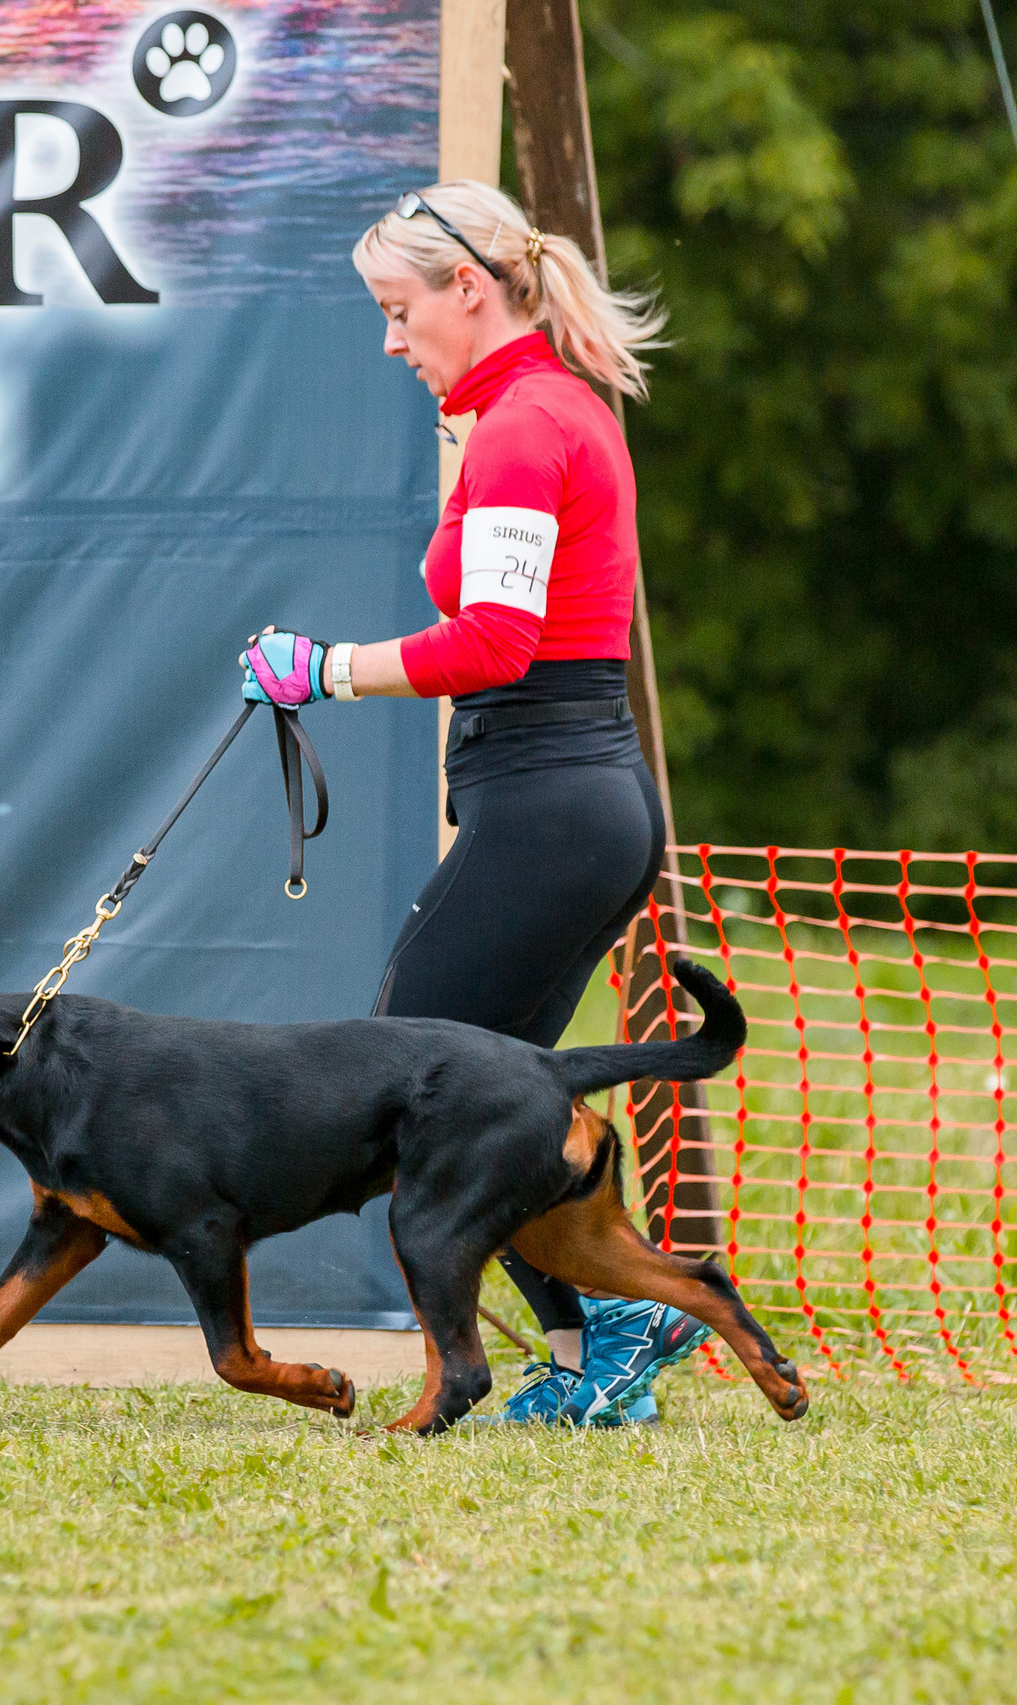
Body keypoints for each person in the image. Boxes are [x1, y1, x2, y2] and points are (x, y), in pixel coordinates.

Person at [237, 181, 706, 1426]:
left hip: (553, 802)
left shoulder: (518, 426)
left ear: (469, 290)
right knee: (504, 1094)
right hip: (575, 801)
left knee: (424, 1081)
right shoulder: (545, 408)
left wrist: (321, 668)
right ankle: (601, 1340)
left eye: (398, 311)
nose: (391, 341)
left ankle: (608, 1326)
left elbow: (494, 642)